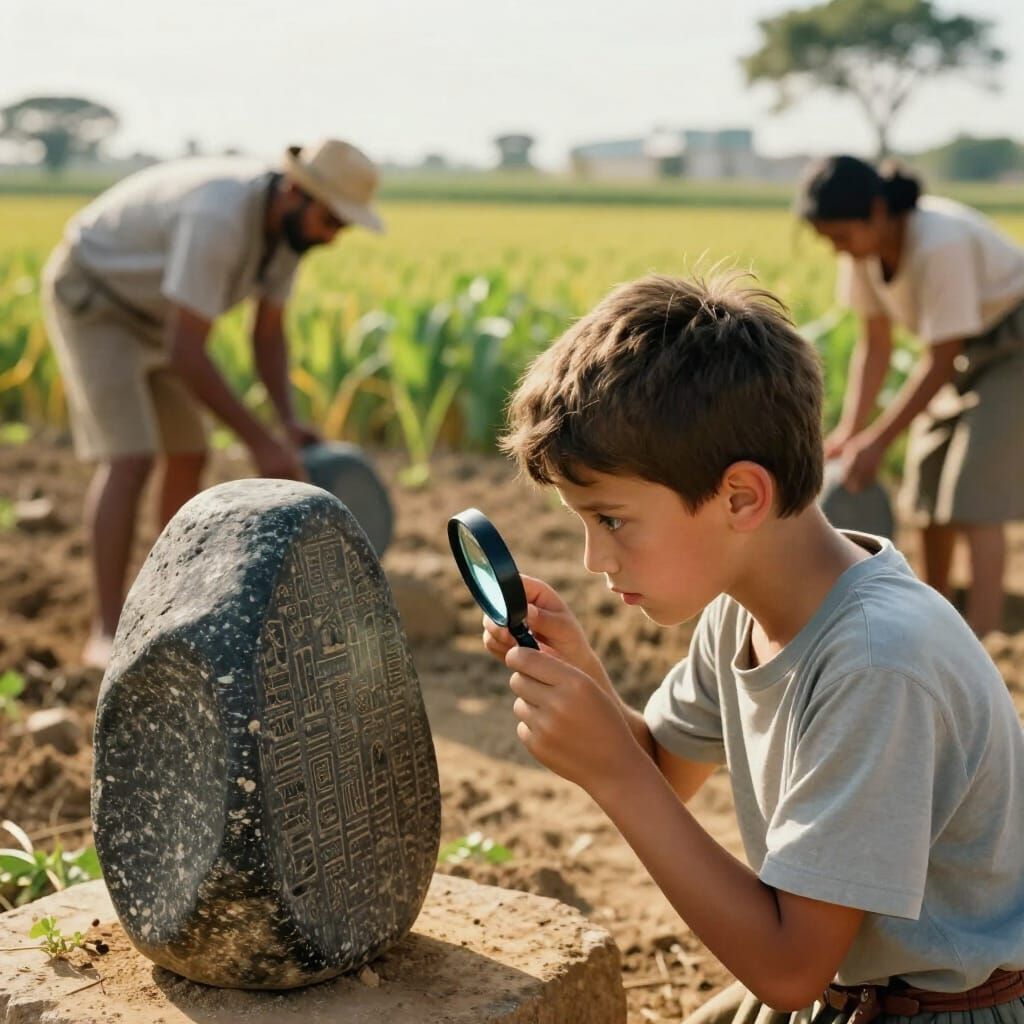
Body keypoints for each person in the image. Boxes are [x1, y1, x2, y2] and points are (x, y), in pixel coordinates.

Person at [480, 274, 1024, 1024]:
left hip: (938, 1008)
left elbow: (790, 967)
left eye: (610, 520)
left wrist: (611, 771)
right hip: (848, 992)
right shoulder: (742, 609)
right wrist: (586, 682)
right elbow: (667, 771)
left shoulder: (876, 663)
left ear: (741, 497)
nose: (593, 560)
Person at [41, 139, 384, 668]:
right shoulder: (219, 216)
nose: (333, 237)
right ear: (295, 192)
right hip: (96, 299)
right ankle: (105, 632)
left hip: (158, 317)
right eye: (331, 221)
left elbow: (267, 335)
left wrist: (286, 424)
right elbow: (186, 352)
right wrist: (260, 442)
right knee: (131, 458)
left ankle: (165, 607)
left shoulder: (288, 237)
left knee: (189, 453)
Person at [797, 155, 1024, 637]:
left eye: (841, 235)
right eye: (828, 240)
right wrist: (851, 433)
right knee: (925, 487)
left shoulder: (940, 243)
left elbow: (941, 357)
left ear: (878, 211)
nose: (838, 250)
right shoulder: (861, 253)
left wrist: (878, 442)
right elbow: (874, 346)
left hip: (1013, 349)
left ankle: (985, 644)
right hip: (963, 351)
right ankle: (936, 626)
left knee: (971, 494)